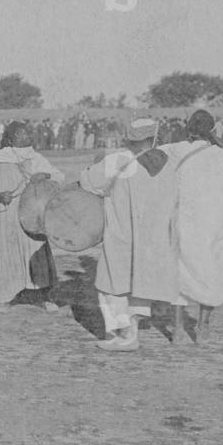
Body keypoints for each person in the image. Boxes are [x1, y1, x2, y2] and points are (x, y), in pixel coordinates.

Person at [79, 117, 180, 351]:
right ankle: (132, 330)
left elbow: (88, 182)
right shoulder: (169, 163)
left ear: (129, 137)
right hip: (154, 237)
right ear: (155, 137)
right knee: (139, 283)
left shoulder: (117, 160)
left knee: (111, 284)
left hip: (122, 233)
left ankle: (126, 335)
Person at [159, 110, 223, 343]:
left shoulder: (176, 149)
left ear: (189, 128)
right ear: (212, 129)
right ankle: (203, 327)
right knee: (212, 275)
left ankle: (178, 330)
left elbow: (151, 159)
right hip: (213, 227)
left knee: (179, 275)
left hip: (183, 224)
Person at [0, 122, 63, 310]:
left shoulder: (36, 157)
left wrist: (46, 176)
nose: (27, 136)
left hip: (32, 213)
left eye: (28, 132)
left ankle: (43, 296)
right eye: (22, 134)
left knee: (37, 250)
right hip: (7, 216)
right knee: (6, 254)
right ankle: (3, 297)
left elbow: (59, 176)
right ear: (11, 138)